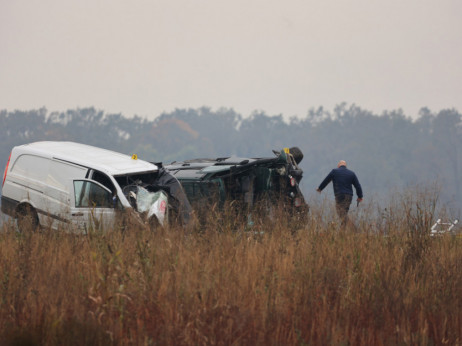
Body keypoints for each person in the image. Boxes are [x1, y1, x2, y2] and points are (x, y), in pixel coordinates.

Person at [316, 160, 363, 225]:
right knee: (343, 214)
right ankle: (343, 231)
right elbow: (358, 186)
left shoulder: (334, 171)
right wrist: (360, 196)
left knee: (341, 213)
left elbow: (326, 180)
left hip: (339, 195)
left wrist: (320, 188)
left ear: (338, 166)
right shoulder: (352, 173)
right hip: (349, 196)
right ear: (345, 166)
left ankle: (353, 229)